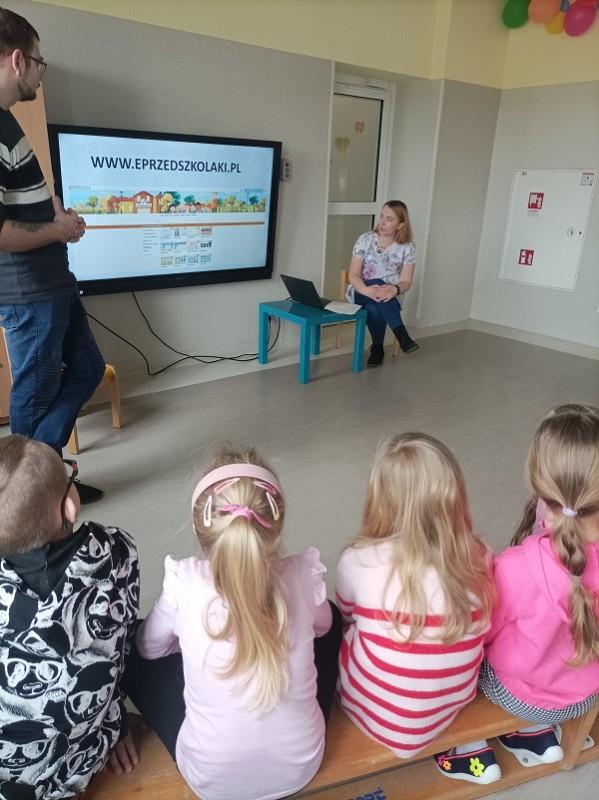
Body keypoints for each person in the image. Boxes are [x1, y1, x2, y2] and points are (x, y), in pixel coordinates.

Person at [124, 445, 343, 800]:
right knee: (329, 618)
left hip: (211, 781)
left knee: (132, 642)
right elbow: (324, 628)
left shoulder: (184, 581)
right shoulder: (303, 575)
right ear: (276, 527)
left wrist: (190, 643)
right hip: (301, 765)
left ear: (199, 529)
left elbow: (148, 649)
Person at [336, 433, 498, 784]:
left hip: (372, 712)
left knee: (338, 625)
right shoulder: (480, 555)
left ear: (379, 499)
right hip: (448, 706)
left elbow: (347, 616)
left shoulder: (358, 560)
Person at [0, 7, 105, 503]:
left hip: (52, 282)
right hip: (30, 292)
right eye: (39, 62)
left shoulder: (8, 123)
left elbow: (19, 206)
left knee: (88, 369)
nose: (41, 73)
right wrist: (56, 228)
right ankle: (28, 501)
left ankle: (44, 477)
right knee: (34, 393)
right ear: (17, 60)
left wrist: (57, 217)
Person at [0, 434, 139, 799]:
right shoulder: (115, 553)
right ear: (70, 506)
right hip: (80, 761)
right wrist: (118, 722)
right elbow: (120, 650)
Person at [474, 404, 599, 771]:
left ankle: (525, 731)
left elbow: (482, 634)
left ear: (540, 492)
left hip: (523, 698)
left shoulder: (513, 569)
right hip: (586, 694)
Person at [347, 200, 419, 367]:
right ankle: (402, 334)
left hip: (390, 296)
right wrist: (366, 290)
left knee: (374, 307)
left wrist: (395, 290)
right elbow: (353, 275)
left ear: (400, 225)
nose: (382, 222)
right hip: (360, 291)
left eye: (389, 219)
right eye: (382, 216)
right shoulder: (365, 239)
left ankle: (377, 348)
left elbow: (406, 281)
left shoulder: (408, 247)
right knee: (378, 283)